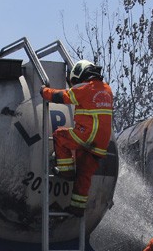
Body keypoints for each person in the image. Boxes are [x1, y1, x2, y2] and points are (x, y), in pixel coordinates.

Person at [40, 59, 113, 217]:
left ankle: (66, 170)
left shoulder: (85, 89)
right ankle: (77, 207)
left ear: (81, 75)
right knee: (84, 173)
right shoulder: (108, 90)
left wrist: (44, 92)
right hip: (100, 144)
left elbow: (63, 96)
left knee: (60, 135)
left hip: (86, 136)